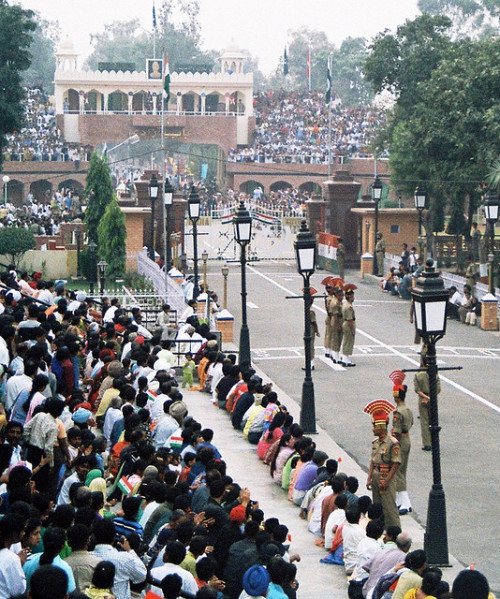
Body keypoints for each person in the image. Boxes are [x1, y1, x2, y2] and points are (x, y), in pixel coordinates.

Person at [364, 400, 401, 528]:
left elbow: (395, 464)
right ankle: (380, 529)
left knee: (389, 506)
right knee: (377, 505)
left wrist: (387, 481)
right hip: (375, 475)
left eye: (375, 426)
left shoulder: (392, 443)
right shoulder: (375, 442)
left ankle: (394, 530)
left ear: (381, 427)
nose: (373, 429)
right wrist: (369, 477)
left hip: (386, 475)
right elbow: (373, 461)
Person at [390, 370, 414, 515]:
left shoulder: (398, 412)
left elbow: (396, 431)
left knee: (398, 471)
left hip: (400, 441)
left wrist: (393, 443)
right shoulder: (408, 409)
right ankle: (401, 500)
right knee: (402, 471)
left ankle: (404, 501)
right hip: (407, 439)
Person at [414, 353, 441, 451]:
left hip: (423, 398)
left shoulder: (418, 375)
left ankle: (427, 443)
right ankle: (434, 441)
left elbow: (417, 390)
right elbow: (438, 389)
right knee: (433, 421)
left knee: (424, 421)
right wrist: (430, 397)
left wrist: (425, 397)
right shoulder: (435, 374)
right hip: (433, 398)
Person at [340, 284, 357, 367]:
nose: (353, 297)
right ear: (349, 296)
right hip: (348, 324)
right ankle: (346, 359)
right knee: (348, 342)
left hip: (345, 323)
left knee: (346, 341)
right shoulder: (349, 307)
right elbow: (350, 319)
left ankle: (344, 357)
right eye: (352, 296)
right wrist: (353, 330)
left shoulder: (345, 304)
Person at [330, 282, 344, 364]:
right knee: (337, 339)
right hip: (337, 321)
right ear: (336, 294)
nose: (342, 296)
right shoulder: (336, 303)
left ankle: (336, 355)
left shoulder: (337, 301)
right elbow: (335, 315)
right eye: (341, 295)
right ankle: (336, 356)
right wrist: (338, 325)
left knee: (337, 339)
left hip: (338, 321)